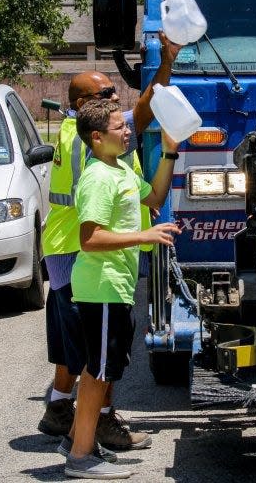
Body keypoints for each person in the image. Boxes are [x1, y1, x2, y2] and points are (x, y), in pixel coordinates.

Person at [37, 33, 181, 452]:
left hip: (77, 254)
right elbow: (143, 111)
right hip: (80, 255)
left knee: (83, 349)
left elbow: (147, 188)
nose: (116, 100)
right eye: (106, 95)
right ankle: (86, 434)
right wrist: (166, 64)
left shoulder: (84, 134)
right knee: (93, 359)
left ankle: (61, 408)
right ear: (87, 109)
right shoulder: (95, 151)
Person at [64, 99, 181, 479]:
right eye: (120, 128)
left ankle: (74, 441)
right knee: (97, 374)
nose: (128, 131)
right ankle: (80, 459)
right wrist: (143, 234)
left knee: (100, 369)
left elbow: (156, 198)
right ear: (97, 138)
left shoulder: (123, 171)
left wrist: (169, 151)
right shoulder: (98, 177)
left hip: (117, 287)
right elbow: (90, 238)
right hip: (101, 286)